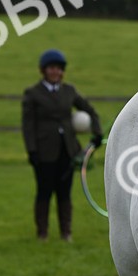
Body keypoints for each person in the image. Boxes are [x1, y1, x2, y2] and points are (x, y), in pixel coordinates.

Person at [21, 49, 103, 241]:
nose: (55, 72)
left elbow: (90, 110)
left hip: (68, 150)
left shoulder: (69, 91)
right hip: (44, 152)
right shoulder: (32, 94)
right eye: (51, 68)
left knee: (64, 192)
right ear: (44, 70)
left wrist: (97, 133)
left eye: (58, 68)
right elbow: (28, 125)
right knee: (44, 191)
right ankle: (42, 232)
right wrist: (31, 150)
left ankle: (66, 232)